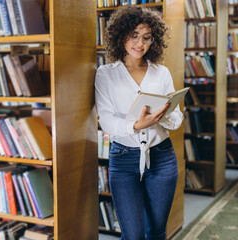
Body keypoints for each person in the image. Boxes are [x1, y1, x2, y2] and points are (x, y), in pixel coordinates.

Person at [95, 6, 183, 240]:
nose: (139, 44)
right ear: (121, 36)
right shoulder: (105, 74)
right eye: (134, 36)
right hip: (124, 159)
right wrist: (136, 126)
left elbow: (177, 119)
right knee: (132, 235)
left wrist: (165, 115)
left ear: (154, 40)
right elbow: (106, 120)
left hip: (162, 156)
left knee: (156, 231)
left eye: (146, 38)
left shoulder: (161, 73)